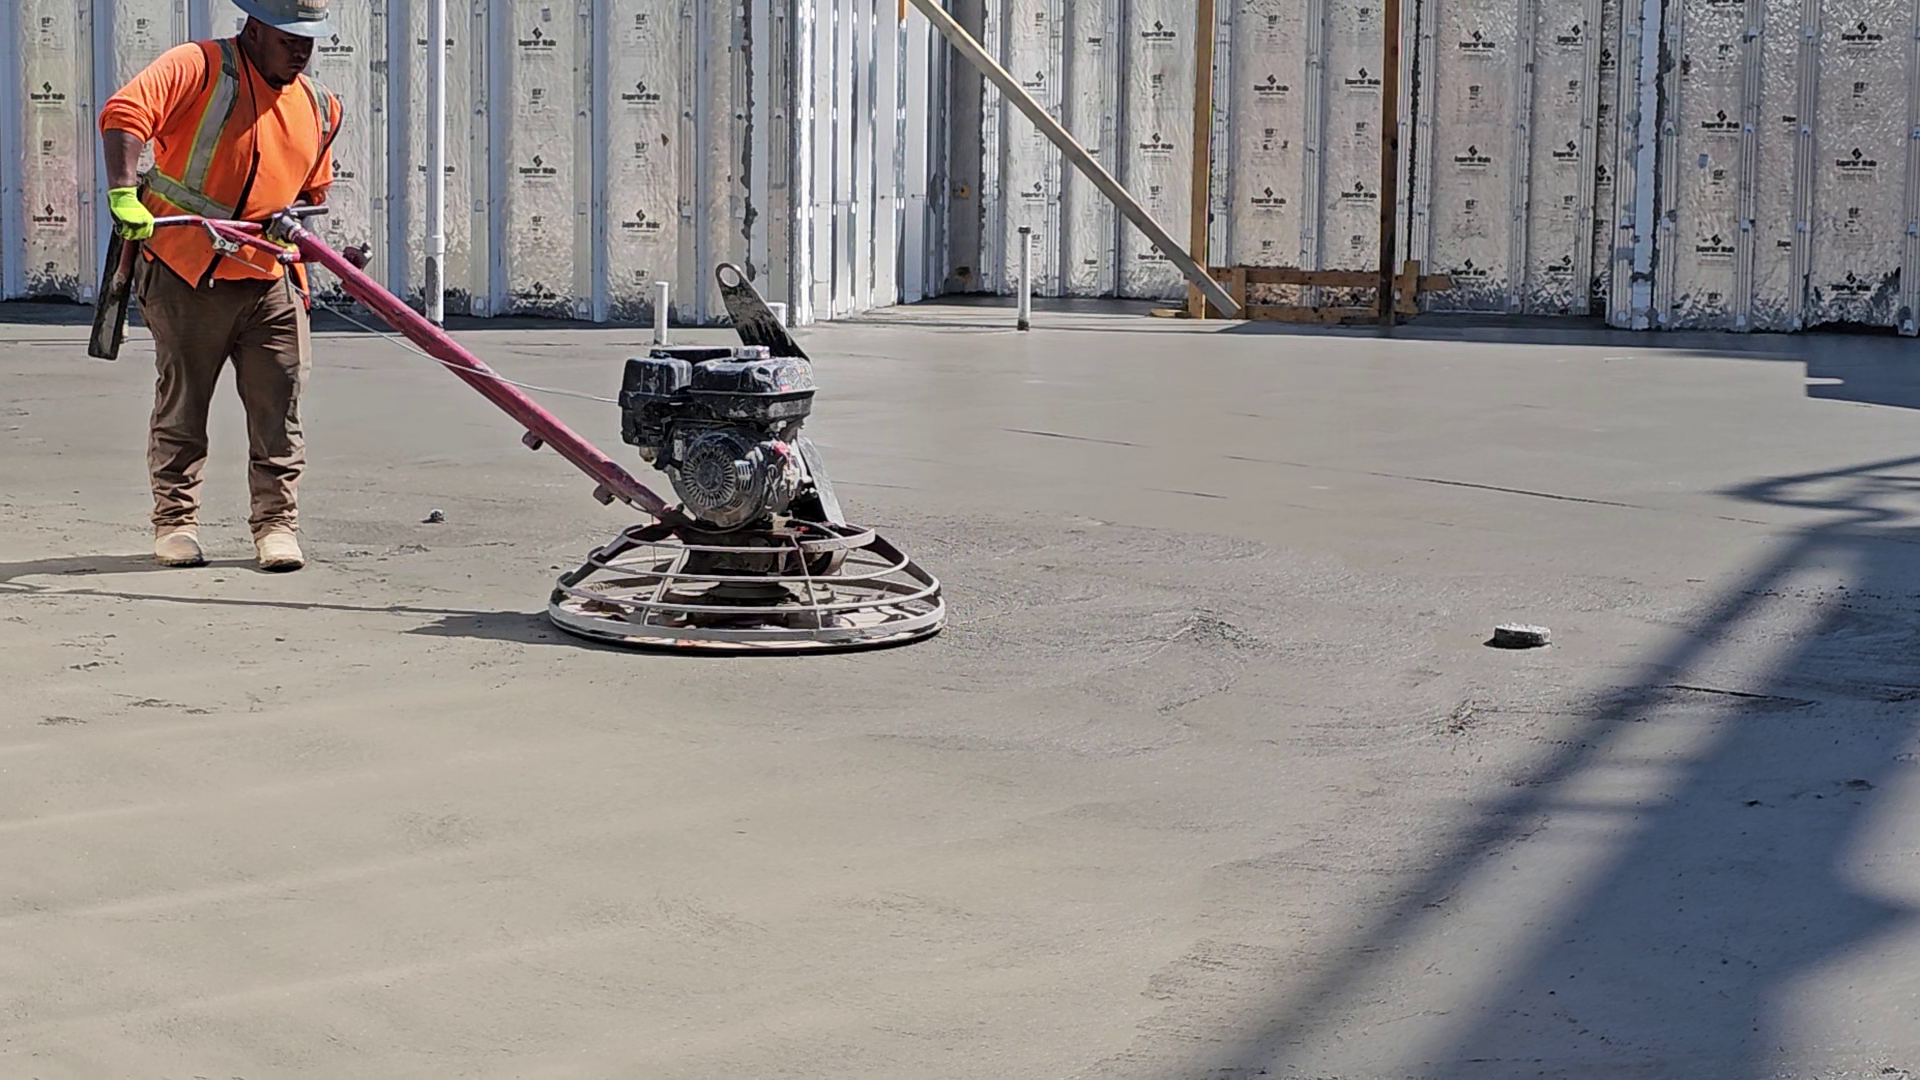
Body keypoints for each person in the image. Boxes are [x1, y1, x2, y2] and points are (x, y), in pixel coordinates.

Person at [98, 0, 342, 571]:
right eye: (289, 39)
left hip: (271, 276)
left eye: (309, 40)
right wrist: (122, 193)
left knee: (279, 404)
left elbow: (311, 195)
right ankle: (176, 523)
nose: (301, 51)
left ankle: (276, 525)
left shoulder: (319, 107)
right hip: (188, 270)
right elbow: (125, 113)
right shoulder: (200, 66)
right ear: (255, 30)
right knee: (184, 402)